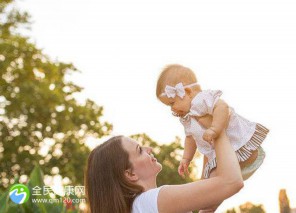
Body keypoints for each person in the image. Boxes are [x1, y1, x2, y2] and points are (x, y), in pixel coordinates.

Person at [156, 64, 269, 180]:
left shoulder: (201, 100)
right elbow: (190, 138)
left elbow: (222, 106)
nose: (172, 109)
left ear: (188, 92)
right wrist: (186, 158)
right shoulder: (187, 117)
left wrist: (215, 128)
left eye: (172, 103)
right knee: (209, 181)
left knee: (211, 180)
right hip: (220, 158)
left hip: (239, 147)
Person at [85, 131, 243, 213]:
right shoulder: (152, 201)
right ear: (130, 174)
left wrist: (207, 148)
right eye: (140, 150)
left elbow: (219, 187)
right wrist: (217, 130)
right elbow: (232, 181)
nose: (149, 149)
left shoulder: (140, 207)